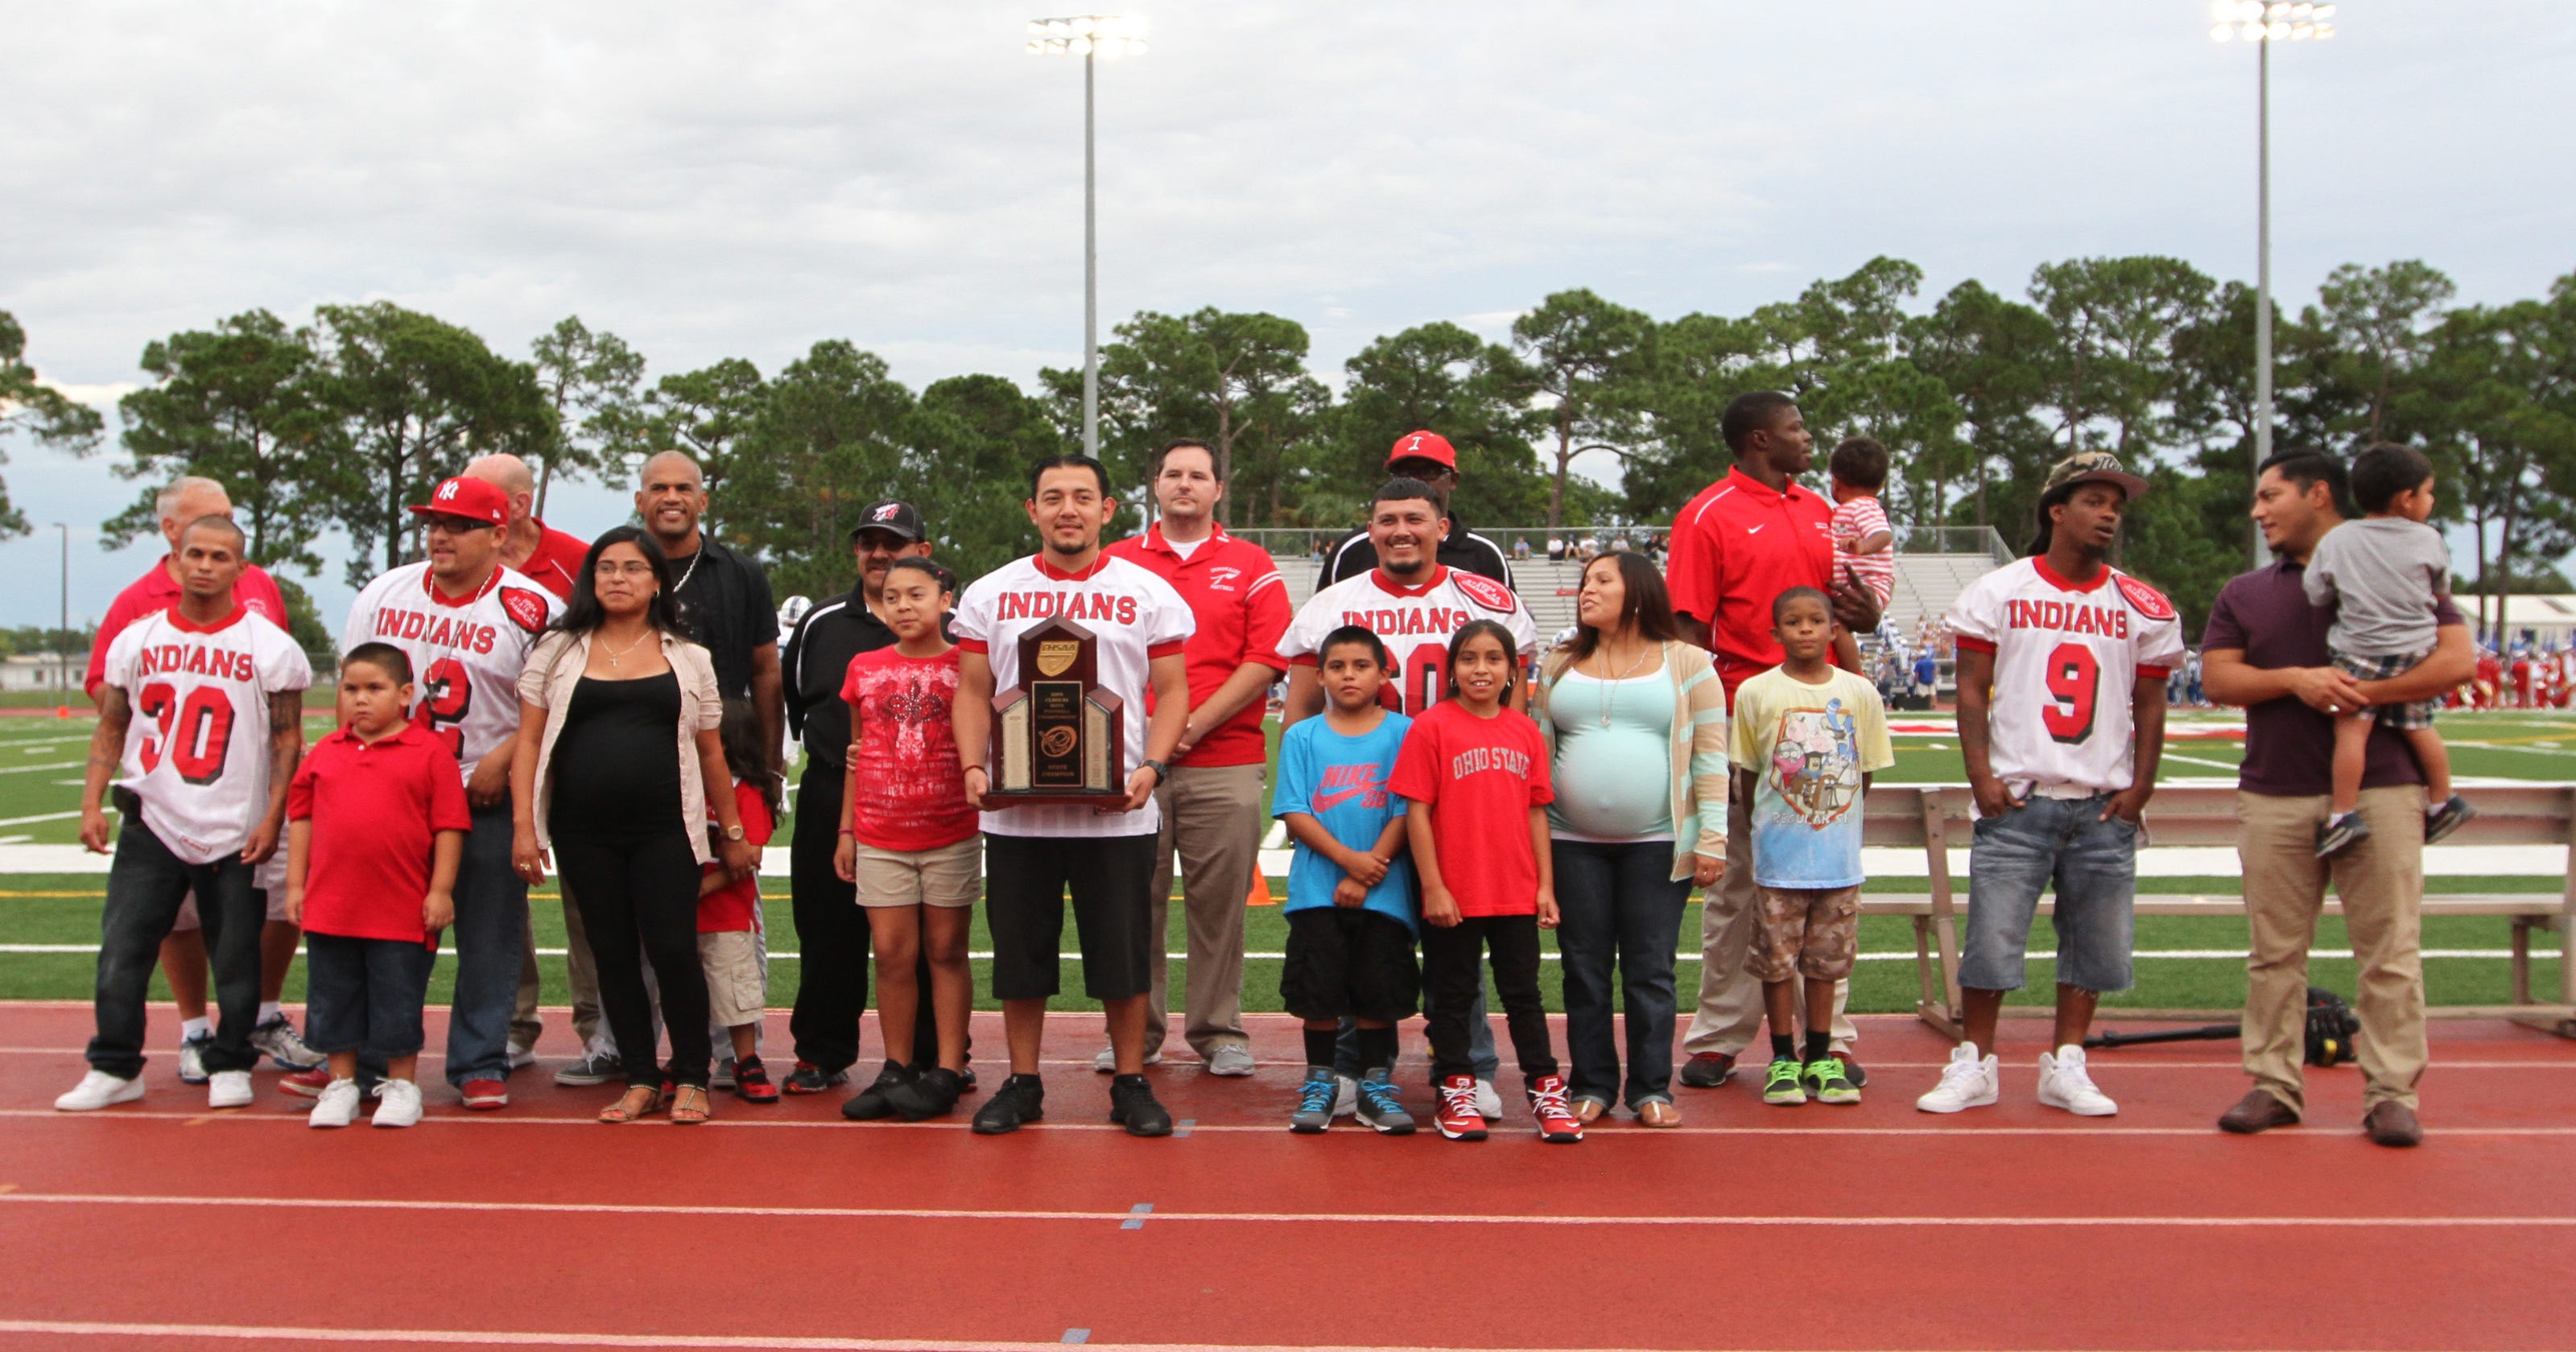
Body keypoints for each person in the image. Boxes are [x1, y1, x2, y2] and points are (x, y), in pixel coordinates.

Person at [2202, 448, 2473, 1148]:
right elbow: (2221, 679)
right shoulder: (2247, 591)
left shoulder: (2404, 560)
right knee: (2274, 954)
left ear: (2318, 493)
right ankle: (2273, 1085)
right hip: (2275, 791)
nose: (2258, 511)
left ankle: (2391, 1093)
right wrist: (2298, 679)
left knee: (2390, 952)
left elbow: (2457, 661)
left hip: (2383, 786)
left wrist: (2361, 693)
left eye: (2270, 496)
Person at [1918, 452, 2182, 1119]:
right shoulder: (2000, 590)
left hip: (2101, 802)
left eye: (2116, 503)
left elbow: (2151, 705)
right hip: (2021, 796)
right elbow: (1972, 688)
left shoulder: (2140, 603)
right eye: (2094, 500)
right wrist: (1980, 774)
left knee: (2095, 946)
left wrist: (2141, 789)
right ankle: (1975, 1061)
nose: (2110, 513)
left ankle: (2068, 1061)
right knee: (1991, 942)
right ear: (2056, 510)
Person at [1280, 477, 1539, 1120]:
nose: (1402, 530)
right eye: (1388, 519)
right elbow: (1299, 711)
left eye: (1416, 519)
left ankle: (1468, 1067)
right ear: (1369, 531)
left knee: (1460, 941)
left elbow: (1516, 709)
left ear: (1442, 527)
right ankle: (1350, 1070)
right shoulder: (1333, 604)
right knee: (1356, 939)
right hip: (1361, 807)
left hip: (1463, 800)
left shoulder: (1487, 599)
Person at [952, 455, 1194, 1138]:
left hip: (1117, 810)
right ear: (1031, 510)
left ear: (1108, 510)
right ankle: (1024, 1083)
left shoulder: (1146, 592)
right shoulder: (990, 593)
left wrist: (1152, 765)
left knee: (1121, 954)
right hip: (1019, 813)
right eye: (1052, 497)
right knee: (1020, 956)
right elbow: (971, 692)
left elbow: (1173, 691)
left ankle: (1130, 1081)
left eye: (1082, 497)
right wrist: (975, 767)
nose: (1068, 509)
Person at [1664, 391, 1884, 1091]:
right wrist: (1701, 734)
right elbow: (1689, 636)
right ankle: (1721, 1035)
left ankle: (1831, 1038)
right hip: (1742, 718)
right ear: (1761, 439)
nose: (1810, 437)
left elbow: (1854, 610)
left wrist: (1867, 612)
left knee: (1826, 881)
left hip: (1825, 720)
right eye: (1796, 428)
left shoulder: (1823, 512)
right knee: (1736, 886)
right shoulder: (1706, 516)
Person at [58, 516, 311, 1111]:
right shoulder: (136, 639)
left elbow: (287, 741)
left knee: (236, 956)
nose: (204, 565)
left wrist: (273, 815)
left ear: (240, 570)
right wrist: (92, 800)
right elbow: (112, 723)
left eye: (219, 557)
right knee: (123, 950)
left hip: (233, 823)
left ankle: (230, 1061)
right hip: (154, 815)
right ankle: (116, 1065)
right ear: (175, 560)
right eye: (194, 553)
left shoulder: (269, 645)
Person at [509, 526, 759, 1125]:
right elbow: (528, 741)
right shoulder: (557, 650)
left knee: (673, 951)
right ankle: (643, 1078)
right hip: (582, 831)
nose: (617, 578)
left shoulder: (688, 656)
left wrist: (732, 833)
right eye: (605, 568)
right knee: (611, 955)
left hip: (665, 830)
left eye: (632, 568)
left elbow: (712, 754)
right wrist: (524, 827)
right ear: (591, 580)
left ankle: (693, 1077)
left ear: (655, 583)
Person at [341, 475, 561, 1110]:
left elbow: (550, 704)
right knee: (387, 936)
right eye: (435, 523)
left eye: (459, 525)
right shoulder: (385, 592)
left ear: (498, 534)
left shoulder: (533, 607)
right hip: (395, 794)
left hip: (482, 793)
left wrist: (502, 760)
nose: (441, 536)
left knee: (490, 936)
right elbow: (351, 686)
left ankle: (480, 1060)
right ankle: (374, 1058)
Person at [1099, 439, 1290, 1077]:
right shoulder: (1116, 561)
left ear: (1217, 490)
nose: (1185, 484)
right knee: (1133, 903)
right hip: (1128, 761)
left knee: (1220, 904)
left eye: (1198, 475)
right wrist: (1150, 737)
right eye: (1173, 474)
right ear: (1155, 485)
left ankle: (1219, 1031)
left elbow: (1266, 659)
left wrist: (1186, 726)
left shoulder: (1251, 562)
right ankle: (1136, 1036)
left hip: (1224, 758)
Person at [1530, 552, 1724, 1127]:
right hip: (1570, 842)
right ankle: (1590, 1083)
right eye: (1586, 582)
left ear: (1636, 592)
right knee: (1582, 966)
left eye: (1601, 581)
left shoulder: (1688, 662)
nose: (1586, 591)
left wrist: (1713, 837)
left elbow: (1713, 755)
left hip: (1658, 842)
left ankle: (1650, 1088)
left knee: (1650, 968)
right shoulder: (1562, 661)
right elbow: (1539, 753)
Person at [776, 499, 952, 1095]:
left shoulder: (951, 627)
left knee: (927, 938)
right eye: (867, 542)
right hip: (837, 788)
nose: (878, 554)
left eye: (894, 543)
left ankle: (934, 1057)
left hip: (927, 799)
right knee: (826, 928)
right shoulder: (823, 623)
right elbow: (800, 705)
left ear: (923, 554)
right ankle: (822, 1051)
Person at [1390, 620, 1582, 1144]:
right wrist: (1433, 885)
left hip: (1515, 890)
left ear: (1513, 669)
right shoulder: (1431, 726)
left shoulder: (1523, 731)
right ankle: (1456, 1088)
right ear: (1452, 669)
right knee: (1451, 997)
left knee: (1524, 996)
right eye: (1469, 659)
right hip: (1454, 891)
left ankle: (1545, 1089)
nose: (1481, 669)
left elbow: (1537, 812)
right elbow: (1417, 811)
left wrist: (1545, 885)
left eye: (1494, 658)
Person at [283, 643, 469, 1128]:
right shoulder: (325, 753)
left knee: (396, 999)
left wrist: (440, 889)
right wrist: (296, 886)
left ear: (406, 693)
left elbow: (449, 825)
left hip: (400, 909)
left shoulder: (429, 752)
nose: (360, 699)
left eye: (374, 689)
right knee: (332, 996)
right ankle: (341, 1084)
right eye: (350, 689)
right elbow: (300, 819)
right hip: (332, 907)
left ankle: (401, 1085)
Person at [463, 452, 606, 1074]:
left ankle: (599, 1028)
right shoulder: (462, 558)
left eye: (480, 497)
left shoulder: (576, 561)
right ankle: (513, 1023)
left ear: (517, 506)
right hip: (489, 760)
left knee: (584, 892)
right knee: (497, 894)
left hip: (571, 753)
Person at [833, 557, 982, 1123]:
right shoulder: (863, 667)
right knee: (893, 955)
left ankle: (947, 1067)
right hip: (879, 831)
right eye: (891, 596)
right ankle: (896, 1067)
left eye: (916, 594)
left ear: (946, 599)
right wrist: (847, 829)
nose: (903, 606)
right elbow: (857, 754)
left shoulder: (967, 664)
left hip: (949, 831)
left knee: (945, 952)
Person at [1733, 588, 1893, 1107]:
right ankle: (1781, 1058)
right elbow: (1750, 776)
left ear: (1833, 631)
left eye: (1816, 620)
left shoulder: (1859, 692)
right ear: (1775, 632)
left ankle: (1820, 1056)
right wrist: (1769, 829)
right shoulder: (1756, 692)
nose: (1805, 630)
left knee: (1826, 964)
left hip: (1837, 860)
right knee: (1776, 963)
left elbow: (1863, 774)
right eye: (1793, 622)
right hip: (1779, 859)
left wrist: (1833, 822)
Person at [1273, 625, 1418, 1135]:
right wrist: (1349, 862)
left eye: (1361, 666)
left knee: (1378, 992)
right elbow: (1294, 809)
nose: (1349, 675)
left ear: (1383, 673)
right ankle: (1321, 1081)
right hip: (1318, 891)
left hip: (1386, 892)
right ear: (1320, 676)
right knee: (1320, 994)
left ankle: (1375, 1086)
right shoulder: (1302, 736)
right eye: (1337, 667)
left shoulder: (1404, 733)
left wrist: (1371, 867)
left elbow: (1407, 809)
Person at [2303, 443, 2475, 857]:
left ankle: (2343, 813)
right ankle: (2441, 798)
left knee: (2352, 731)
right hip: (2416, 649)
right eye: (2429, 492)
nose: (2432, 501)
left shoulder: (2339, 538)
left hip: (2360, 650)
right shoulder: (2429, 539)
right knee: (2418, 725)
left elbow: (2316, 591)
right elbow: (2441, 588)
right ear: (2407, 499)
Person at [700, 698, 781, 1105]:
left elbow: (746, 860)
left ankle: (745, 1060)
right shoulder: (685, 785)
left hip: (727, 915)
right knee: (683, 991)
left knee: (735, 992)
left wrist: (693, 892)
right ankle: (687, 1061)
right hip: (683, 917)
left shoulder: (747, 792)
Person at [1318, 431, 1514, 589]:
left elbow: (1505, 632)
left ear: (1453, 480)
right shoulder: (1353, 549)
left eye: (1429, 472)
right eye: (1404, 473)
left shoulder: (1484, 554)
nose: (1416, 481)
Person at [1826, 436, 1897, 676]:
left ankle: (1856, 674)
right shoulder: (1850, 509)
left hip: (1868, 586)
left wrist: (1862, 547)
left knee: (1837, 624)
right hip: (1860, 585)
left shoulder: (1863, 506)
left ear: (1835, 481)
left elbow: (1883, 534)